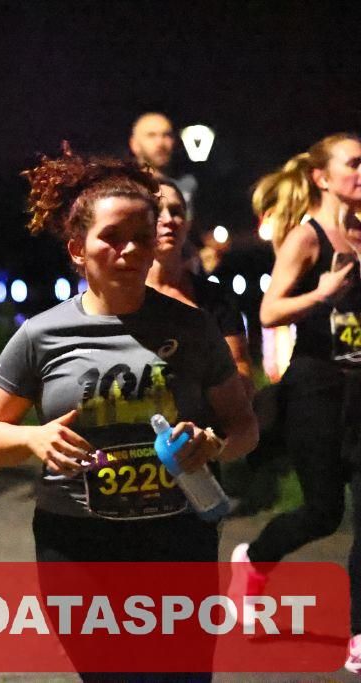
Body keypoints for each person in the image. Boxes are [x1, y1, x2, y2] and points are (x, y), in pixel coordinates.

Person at [0, 148, 257, 680]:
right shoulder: (41, 335)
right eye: (112, 237)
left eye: (142, 238)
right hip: (78, 545)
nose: (130, 250)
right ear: (77, 249)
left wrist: (214, 445)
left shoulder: (193, 329)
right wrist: (32, 439)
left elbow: (245, 428)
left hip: (177, 538)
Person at [228, 133, 361, 672]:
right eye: (355, 163)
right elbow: (269, 311)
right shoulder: (307, 238)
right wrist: (322, 294)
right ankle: (253, 560)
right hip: (317, 389)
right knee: (324, 512)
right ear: (322, 178)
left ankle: (358, 635)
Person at [147, 179, 254, 399]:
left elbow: (241, 373)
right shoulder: (122, 298)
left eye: (176, 212)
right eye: (156, 212)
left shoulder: (216, 299)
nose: (169, 220)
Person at [129, 112, 198, 219]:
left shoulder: (189, 184)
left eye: (166, 135)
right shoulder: (126, 187)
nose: (160, 143)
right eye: (151, 135)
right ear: (134, 144)